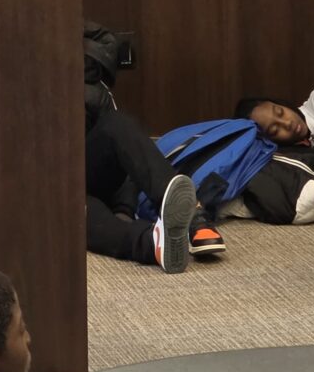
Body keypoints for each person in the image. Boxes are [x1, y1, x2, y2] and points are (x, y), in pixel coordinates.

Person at [86, 112, 226, 273]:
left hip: (85, 168)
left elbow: (121, 147)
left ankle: (192, 216)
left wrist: (124, 206)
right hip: (65, 197)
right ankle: (156, 242)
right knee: (75, 212)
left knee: (116, 123)